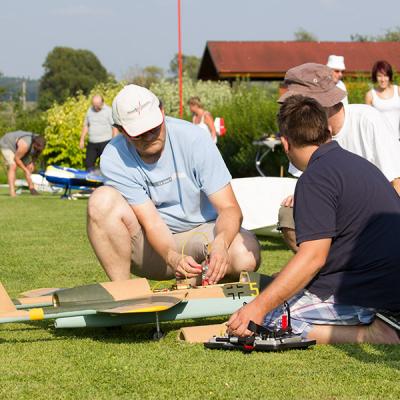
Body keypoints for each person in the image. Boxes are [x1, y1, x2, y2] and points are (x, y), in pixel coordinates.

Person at [227, 95, 400, 344]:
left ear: (286, 144)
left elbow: (313, 258)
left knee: (273, 318)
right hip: (389, 285)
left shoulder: (315, 177)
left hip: (366, 294)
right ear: (328, 131)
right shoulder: (359, 165)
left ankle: (373, 334)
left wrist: (257, 308)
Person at [87, 84, 260, 284]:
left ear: (162, 111)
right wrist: (173, 257)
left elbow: (229, 208)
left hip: (203, 233)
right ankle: (124, 293)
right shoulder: (113, 157)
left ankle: (198, 277)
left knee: (245, 255)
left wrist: (221, 244)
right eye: (139, 133)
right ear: (121, 131)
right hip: (152, 248)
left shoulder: (194, 138)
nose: (150, 136)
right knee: (100, 200)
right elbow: (152, 222)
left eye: (154, 127)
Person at [278, 63, 400, 252]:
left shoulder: (368, 120)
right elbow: (310, 182)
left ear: (320, 102)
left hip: (374, 215)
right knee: (288, 214)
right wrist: (300, 196)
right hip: (333, 207)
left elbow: (396, 184)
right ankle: (322, 271)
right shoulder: (303, 131)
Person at [0, 130, 46, 197]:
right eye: (37, 149)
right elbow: (17, 159)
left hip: (19, 148)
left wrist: (32, 163)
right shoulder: (25, 145)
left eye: (40, 149)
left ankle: (32, 189)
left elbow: (36, 155)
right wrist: (25, 170)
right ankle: (12, 192)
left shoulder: (40, 143)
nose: (39, 150)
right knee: (13, 165)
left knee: (29, 167)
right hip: (7, 144)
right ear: (34, 144)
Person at [79, 94, 118, 171]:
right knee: (88, 164)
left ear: (102, 103)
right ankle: (90, 181)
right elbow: (86, 125)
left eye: (98, 105)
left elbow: (114, 128)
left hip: (105, 143)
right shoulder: (90, 110)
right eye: (94, 105)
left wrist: (114, 143)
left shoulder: (108, 111)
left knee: (105, 165)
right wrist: (82, 139)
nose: (95, 107)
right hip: (92, 143)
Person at [365, 60, 400, 139]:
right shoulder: (370, 95)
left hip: (397, 138)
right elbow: (368, 121)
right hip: (379, 139)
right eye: (379, 76)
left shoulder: (398, 91)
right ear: (375, 77)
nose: (383, 79)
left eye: (385, 75)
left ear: (389, 76)